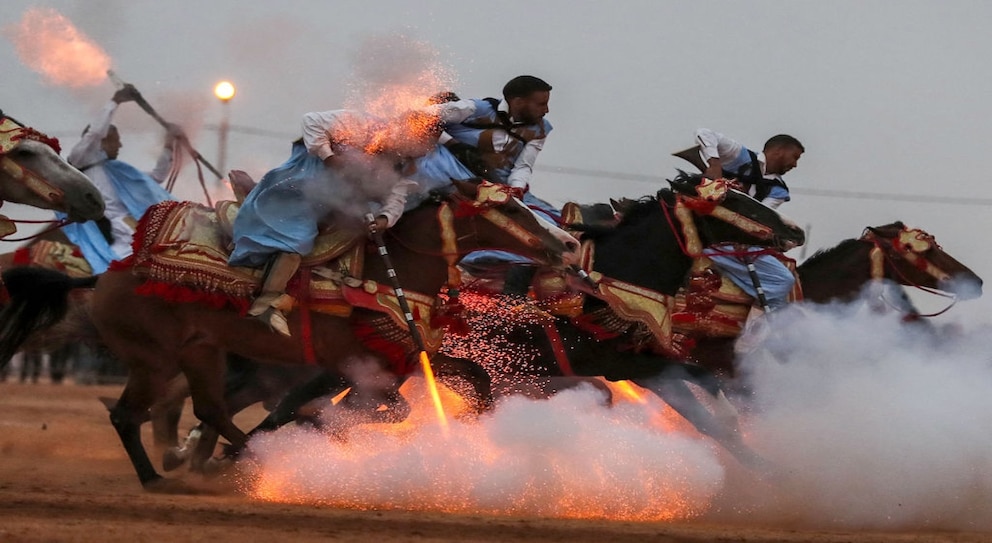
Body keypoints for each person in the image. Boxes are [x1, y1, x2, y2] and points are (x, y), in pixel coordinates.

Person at [228, 108, 444, 336]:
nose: (425, 150)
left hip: (340, 204)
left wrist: (383, 219)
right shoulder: (366, 124)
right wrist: (329, 158)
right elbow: (310, 120)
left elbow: (396, 198)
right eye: (425, 141)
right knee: (296, 239)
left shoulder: (405, 166)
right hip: (304, 183)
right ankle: (266, 304)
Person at [434, 75, 556, 295]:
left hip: (504, 188)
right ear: (518, 102)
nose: (546, 110)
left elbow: (523, 166)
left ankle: (518, 282)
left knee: (548, 224)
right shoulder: (476, 109)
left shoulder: (540, 129)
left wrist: (516, 189)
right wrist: (452, 144)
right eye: (541, 103)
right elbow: (422, 118)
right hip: (463, 182)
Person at [689, 129, 805, 347]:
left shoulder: (778, 190)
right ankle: (750, 342)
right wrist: (714, 164)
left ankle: (749, 336)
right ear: (779, 151)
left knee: (785, 279)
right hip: (704, 226)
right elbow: (704, 133)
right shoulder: (740, 156)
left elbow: (763, 215)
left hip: (737, 241)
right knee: (782, 280)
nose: (795, 164)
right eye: (795, 157)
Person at [65, 84, 179, 271]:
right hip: (113, 237)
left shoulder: (115, 172)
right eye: (116, 140)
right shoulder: (81, 157)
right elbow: (94, 133)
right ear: (105, 140)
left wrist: (168, 144)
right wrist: (115, 101)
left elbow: (157, 176)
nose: (120, 145)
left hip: (134, 228)